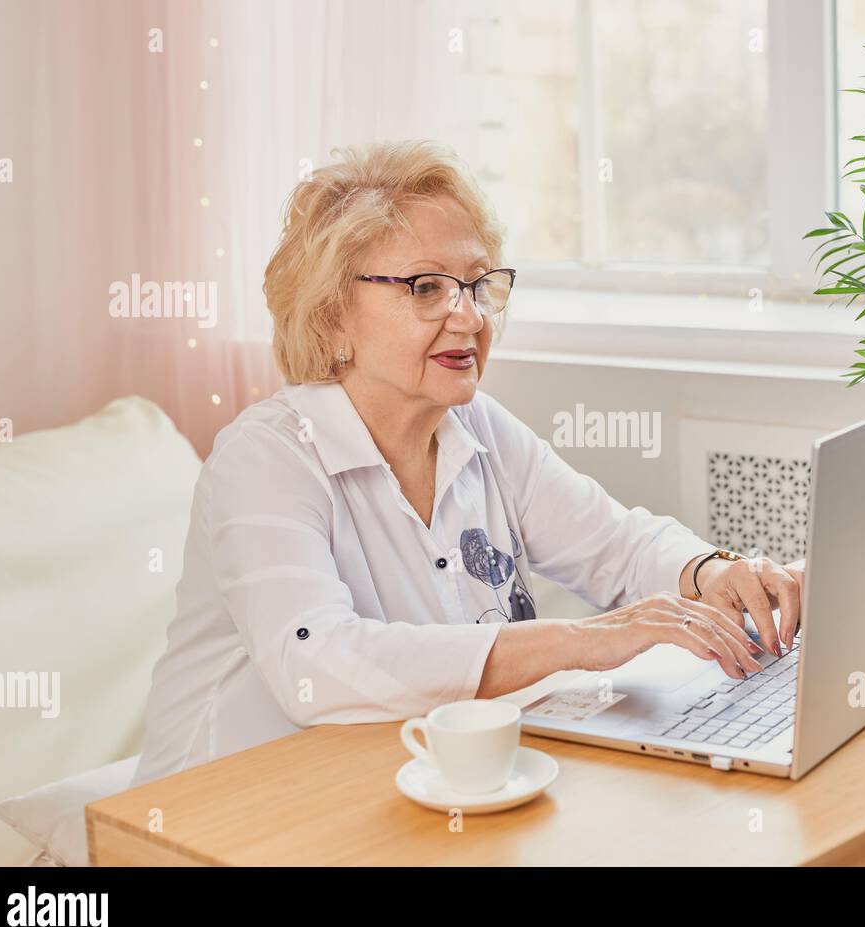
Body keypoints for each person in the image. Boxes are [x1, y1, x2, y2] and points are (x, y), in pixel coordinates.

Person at [131, 141, 803, 786]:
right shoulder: (267, 456)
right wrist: (579, 640)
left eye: (478, 284)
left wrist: (710, 573)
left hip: (406, 786)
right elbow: (314, 663)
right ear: (333, 315)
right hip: (220, 811)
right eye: (427, 289)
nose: (468, 316)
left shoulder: (477, 428)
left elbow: (618, 547)